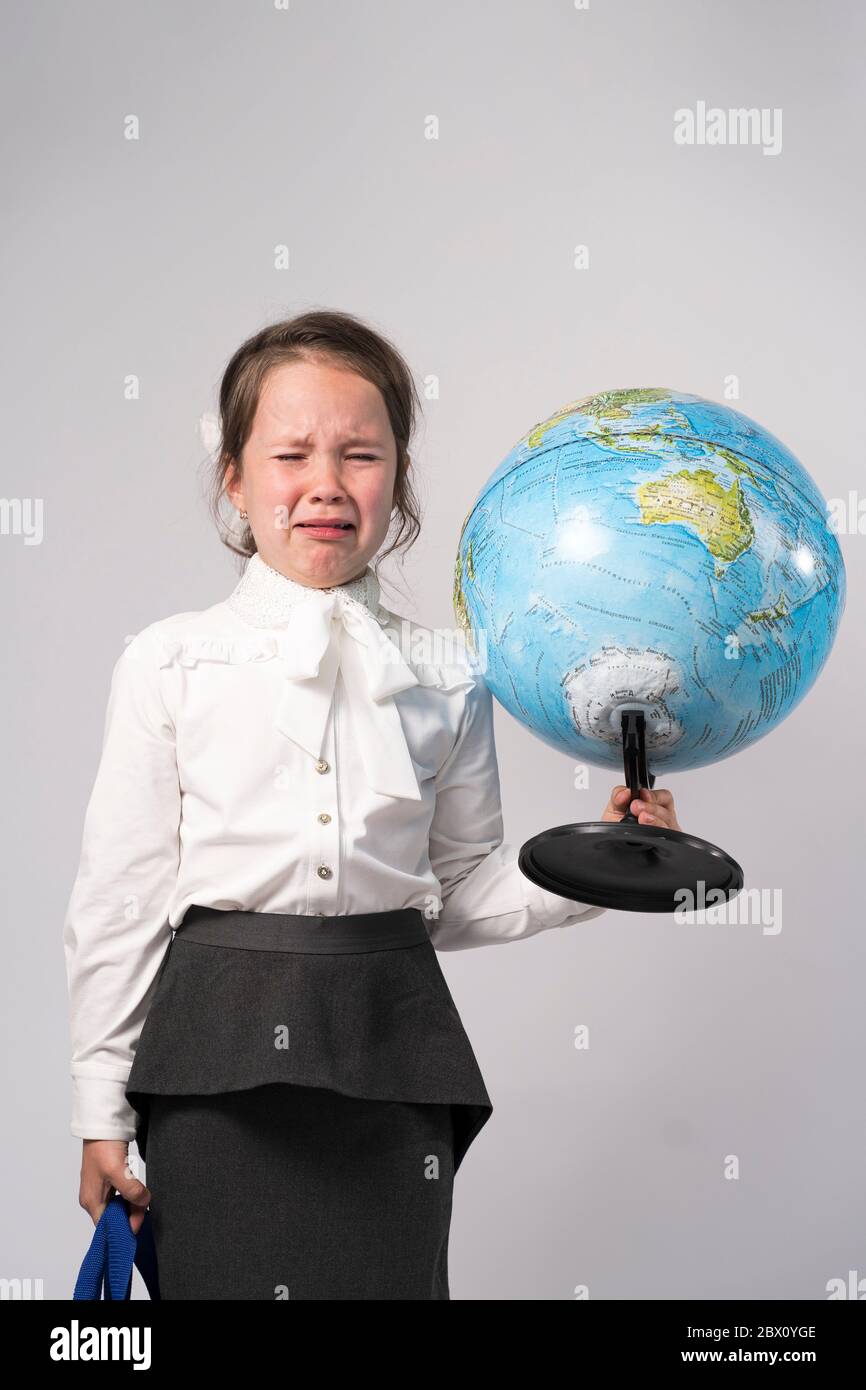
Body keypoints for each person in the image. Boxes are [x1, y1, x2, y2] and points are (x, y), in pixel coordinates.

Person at [64, 309, 683, 1300]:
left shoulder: (447, 671)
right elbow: (120, 903)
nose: (324, 482)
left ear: (395, 478)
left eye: (359, 453)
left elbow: (461, 893)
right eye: (289, 453)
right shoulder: (168, 661)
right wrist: (102, 1107)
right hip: (211, 1065)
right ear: (234, 477)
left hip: (394, 1053)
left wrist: (602, 861)